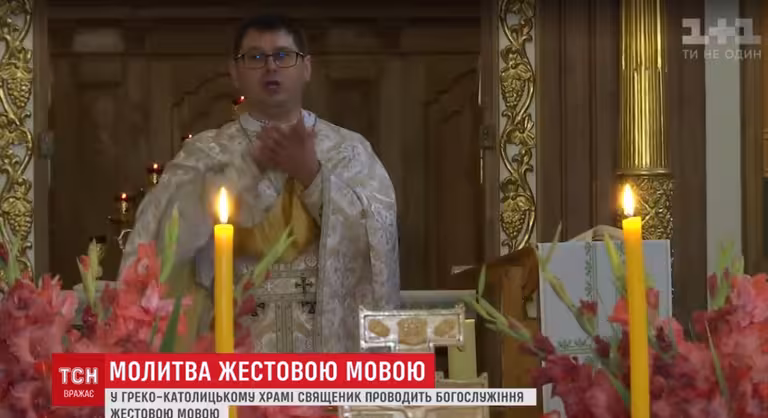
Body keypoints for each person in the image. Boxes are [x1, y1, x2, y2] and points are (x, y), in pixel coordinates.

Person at [119, 15, 400, 353]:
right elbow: (161, 241)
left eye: (283, 55)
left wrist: (313, 176)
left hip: (325, 351)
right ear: (234, 72)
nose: (270, 67)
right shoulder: (205, 154)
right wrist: (243, 171)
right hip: (232, 347)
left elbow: (378, 243)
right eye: (255, 57)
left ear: (306, 68)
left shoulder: (348, 151)